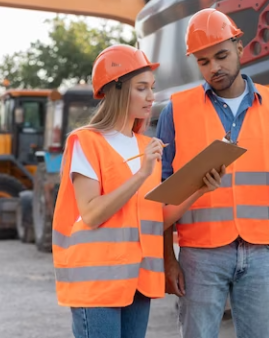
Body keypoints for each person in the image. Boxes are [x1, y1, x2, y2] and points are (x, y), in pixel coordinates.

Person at [51, 44, 224, 338]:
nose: (151, 97)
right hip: (97, 284)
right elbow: (91, 213)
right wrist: (141, 173)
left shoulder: (146, 147)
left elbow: (155, 218)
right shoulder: (86, 142)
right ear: (116, 90)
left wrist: (199, 189)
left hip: (138, 280)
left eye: (151, 88)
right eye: (141, 88)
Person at [156, 8, 269, 338]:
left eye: (221, 56)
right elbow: (162, 193)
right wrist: (168, 259)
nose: (214, 68)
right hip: (199, 254)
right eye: (203, 62)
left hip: (262, 249)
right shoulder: (176, 111)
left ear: (239, 46)